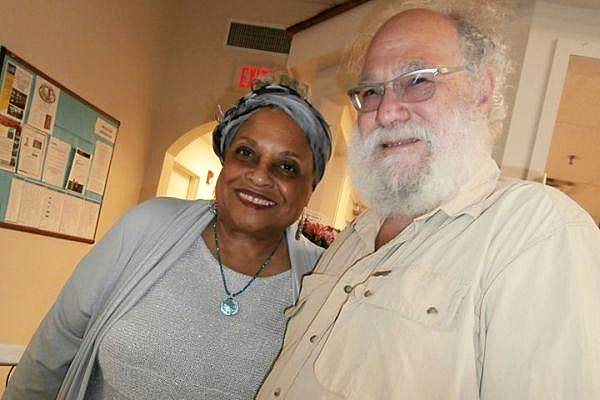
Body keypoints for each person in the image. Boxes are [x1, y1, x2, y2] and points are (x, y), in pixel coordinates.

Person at [257, 7, 600, 400]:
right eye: (371, 92)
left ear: (481, 92)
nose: (386, 111)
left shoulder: (534, 230)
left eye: (417, 80)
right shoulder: (355, 237)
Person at [3, 83, 332, 400]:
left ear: (310, 188)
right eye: (245, 153)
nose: (260, 176)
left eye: (287, 167)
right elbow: (51, 352)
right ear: (225, 162)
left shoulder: (321, 283)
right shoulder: (147, 226)